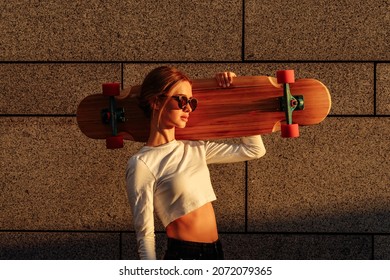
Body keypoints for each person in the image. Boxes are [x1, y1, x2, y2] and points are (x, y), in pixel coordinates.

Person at [126, 66, 266, 260]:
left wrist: (234, 94)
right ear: (156, 101)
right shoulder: (142, 163)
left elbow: (254, 150)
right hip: (184, 256)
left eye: (192, 102)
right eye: (182, 100)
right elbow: (145, 233)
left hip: (216, 252)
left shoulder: (194, 148)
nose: (188, 108)